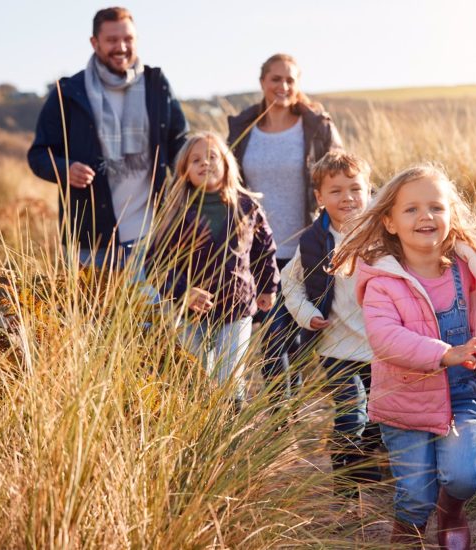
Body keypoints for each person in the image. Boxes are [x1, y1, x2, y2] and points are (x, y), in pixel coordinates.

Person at [331, 164, 476, 548]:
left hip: (461, 395)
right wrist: (446, 353)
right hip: (404, 402)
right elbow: (386, 338)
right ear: (390, 222)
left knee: (465, 477)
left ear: (450, 216)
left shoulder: (464, 269)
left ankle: (452, 512)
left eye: (436, 207)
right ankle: (407, 534)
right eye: (411, 209)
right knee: (415, 494)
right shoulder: (382, 282)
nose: (425, 216)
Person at [28, 6, 188, 270]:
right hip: (91, 239)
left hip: (153, 234)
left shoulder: (156, 84)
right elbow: (38, 154)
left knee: (150, 311)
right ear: (95, 42)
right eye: (112, 40)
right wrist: (65, 169)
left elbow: (180, 142)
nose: (121, 47)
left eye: (128, 39)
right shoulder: (68, 92)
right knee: (95, 312)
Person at [227, 53, 343, 407]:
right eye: (276, 79)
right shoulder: (243, 128)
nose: (283, 86)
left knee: (283, 338)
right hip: (254, 251)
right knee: (272, 336)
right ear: (262, 81)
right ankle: (282, 419)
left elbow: (340, 173)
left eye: (290, 80)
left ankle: (282, 418)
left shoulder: (315, 127)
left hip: (303, 249)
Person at [148, 132, 279, 408]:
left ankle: (230, 432)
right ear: (184, 170)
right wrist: (184, 291)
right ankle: (200, 435)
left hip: (237, 307)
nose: (205, 163)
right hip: (189, 312)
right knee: (195, 375)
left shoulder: (247, 206)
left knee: (230, 377)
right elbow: (155, 263)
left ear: (227, 164)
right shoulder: (176, 211)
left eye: (212, 157)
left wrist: (268, 286)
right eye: (196, 159)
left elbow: (264, 249)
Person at [280, 151, 381, 499]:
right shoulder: (313, 240)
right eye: (335, 191)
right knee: (350, 415)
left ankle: (366, 467)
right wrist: (307, 314)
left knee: (379, 419)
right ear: (320, 198)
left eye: (355, 188)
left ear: (370, 190)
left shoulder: (386, 234)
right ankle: (347, 494)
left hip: (382, 346)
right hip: (336, 347)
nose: (347, 197)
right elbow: (289, 283)